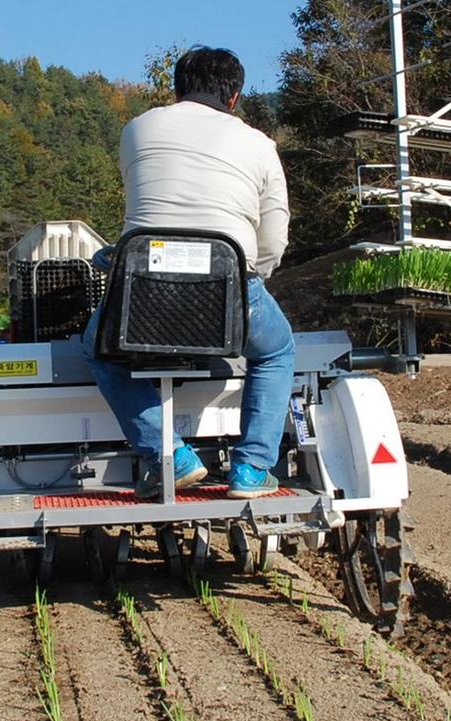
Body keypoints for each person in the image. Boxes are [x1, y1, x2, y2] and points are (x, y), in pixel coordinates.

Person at [83, 46, 294, 500]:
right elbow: (274, 238)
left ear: (177, 89)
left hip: (145, 289)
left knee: (97, 347)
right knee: (277, 352)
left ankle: (171, 455)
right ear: (235, 96)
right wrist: (250, 283)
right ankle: (252, 469)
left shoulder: (137, 129)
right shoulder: (260, 145)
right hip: (228, 283)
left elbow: (145, 208)